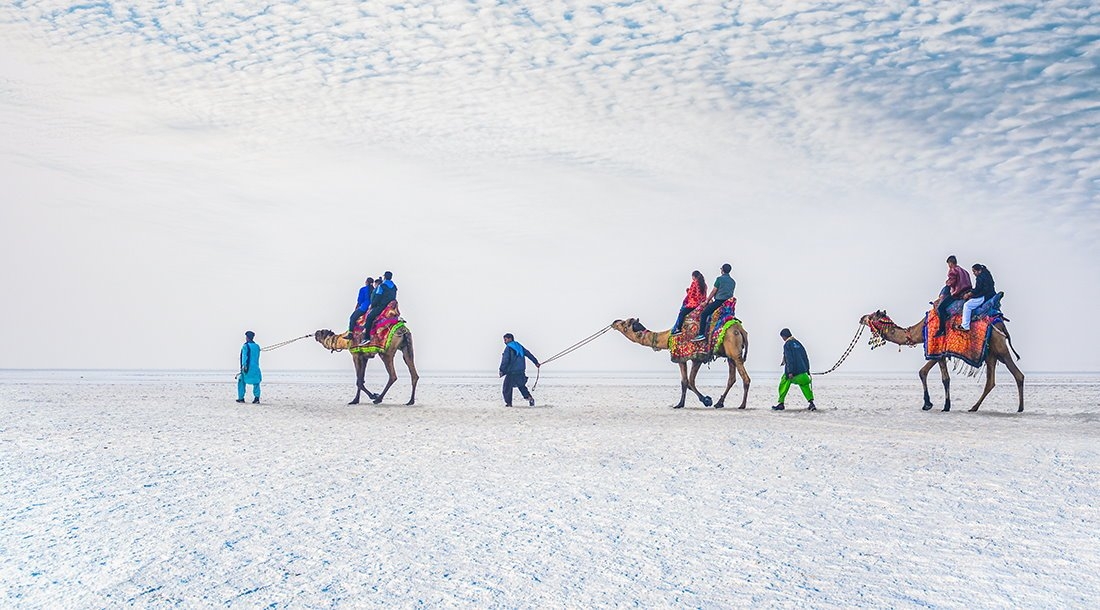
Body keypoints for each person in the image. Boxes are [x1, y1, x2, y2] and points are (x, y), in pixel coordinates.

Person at [773, 328, 815, 411]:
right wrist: (807, 370)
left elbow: (789, 359)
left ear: (784, 336)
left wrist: (790, 372)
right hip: (803, 373)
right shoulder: (799, 343)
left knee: (783, 383)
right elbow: (805, 357)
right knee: (805, 386)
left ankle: (781, 403)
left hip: (793, 373)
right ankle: (811, 403)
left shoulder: (787, 344)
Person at [693, 263, 736, 341]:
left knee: (704, 314)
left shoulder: (719, 279)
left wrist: (707, 301)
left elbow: (714, 291)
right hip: (729, 305)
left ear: (722, 270)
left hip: (719, 302)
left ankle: (701, 334)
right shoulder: (733, 282)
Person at [934, 255, 972, 337]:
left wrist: (947, 283)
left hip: (957, 295)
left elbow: (951, 282)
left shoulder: (953, 270)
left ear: (950, 263)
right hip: (967, 293)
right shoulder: (965, 271)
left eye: (948, 264)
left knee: (941, 308)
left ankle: (942, 330)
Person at [499, 333, 540, 407]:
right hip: (521, 371)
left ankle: (508, 403)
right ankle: (530, 398)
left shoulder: (508, 348)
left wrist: (502, 370)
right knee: (521, 386)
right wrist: (536, 362)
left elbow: (505, 360)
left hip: (511, 371)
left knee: (506, 388)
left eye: (505, 339)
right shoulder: (519, 346)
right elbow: (528, 354)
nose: (504, 341)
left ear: (510, 339)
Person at [361, 271, 398, 344]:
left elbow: (377, 297)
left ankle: (366, 338)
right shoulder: (394, 287)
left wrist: (372, 305)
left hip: (381, 306)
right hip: (391, 306)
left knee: (369, 317)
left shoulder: (381, 286)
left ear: (384, 277)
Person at [959, 263, 995, 331]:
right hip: (990, 294)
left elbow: (978, 289)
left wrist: (969, 294)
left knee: (967, 305)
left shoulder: (980, 277)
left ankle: (965, 326)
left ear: (979, 271)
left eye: (974, 271)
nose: (974, 273)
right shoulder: (987, 274)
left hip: (985, 296)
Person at [671, 271, 707, 336]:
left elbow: (691, 295)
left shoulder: (694, 283)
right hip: (701, 303)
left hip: (693, 304)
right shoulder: (704, 284)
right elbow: (701, 295)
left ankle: (678, 329)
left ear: (694, 276)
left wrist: (688, 291)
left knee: (682, 313)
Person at [237, 331, 262, 404]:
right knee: (256, 383)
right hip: (256, 368)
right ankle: (256, 398)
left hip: (247, 368)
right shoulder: (257, 346)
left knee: (241, 381)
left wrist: (243, 367)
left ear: (247, 337)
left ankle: (241, 398)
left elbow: (245, 357)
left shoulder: (245, 346)